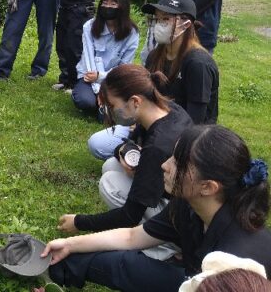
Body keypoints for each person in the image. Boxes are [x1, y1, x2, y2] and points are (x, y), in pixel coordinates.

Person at [40, 124, 271, 292]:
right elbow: (132, 237)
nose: (165, 165)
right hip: (191, 279)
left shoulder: (237, 261)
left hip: (207, 285)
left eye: (178, 163)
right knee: (123, 264)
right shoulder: (190, 206)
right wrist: (69, 245)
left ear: (208, 187)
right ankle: (54, 271)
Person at [58, 64, 193, 260]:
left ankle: (165, 245)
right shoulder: (169, 109)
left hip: (179, 215)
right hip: (174, 193)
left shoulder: (157, 147)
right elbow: (128, 144)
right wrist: (122, 150)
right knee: (110, 166)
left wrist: (79, 222)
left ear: (135, 101)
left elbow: (130, 215)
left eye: (112, 106)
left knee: (109, 183)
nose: (111, 111)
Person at [87, 0, 219, 160]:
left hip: (186, 137)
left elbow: (196, 120)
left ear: (186, 24)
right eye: (156, 19)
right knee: (97, 143)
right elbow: (146, 96)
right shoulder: (155, 56)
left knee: (117, 168)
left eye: (166, 20)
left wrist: (155, 143)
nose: (158, 25)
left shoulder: (198, 64)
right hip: (151, 123)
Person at [70, 0, 139, 114]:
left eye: (113, 4)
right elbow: (88, 56)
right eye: (105, 3)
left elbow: (124, 66)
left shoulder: (132, 33)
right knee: (85, 102)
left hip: (114, 80)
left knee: (113, 112)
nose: (107, 7)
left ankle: (105, 106)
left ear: (123, 7)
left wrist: (101, 78)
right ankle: (95, 101)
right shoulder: (89, 26)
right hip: (89, 77)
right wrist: (97, 87)